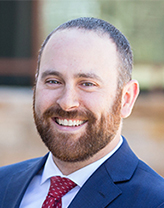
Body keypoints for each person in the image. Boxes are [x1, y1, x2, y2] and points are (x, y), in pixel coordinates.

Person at [0, 17, 164, 208]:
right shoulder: (4, 185)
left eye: (87, 84)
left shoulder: (155, 202)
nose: (67, 103)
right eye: (53, 81)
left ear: (126, 98)